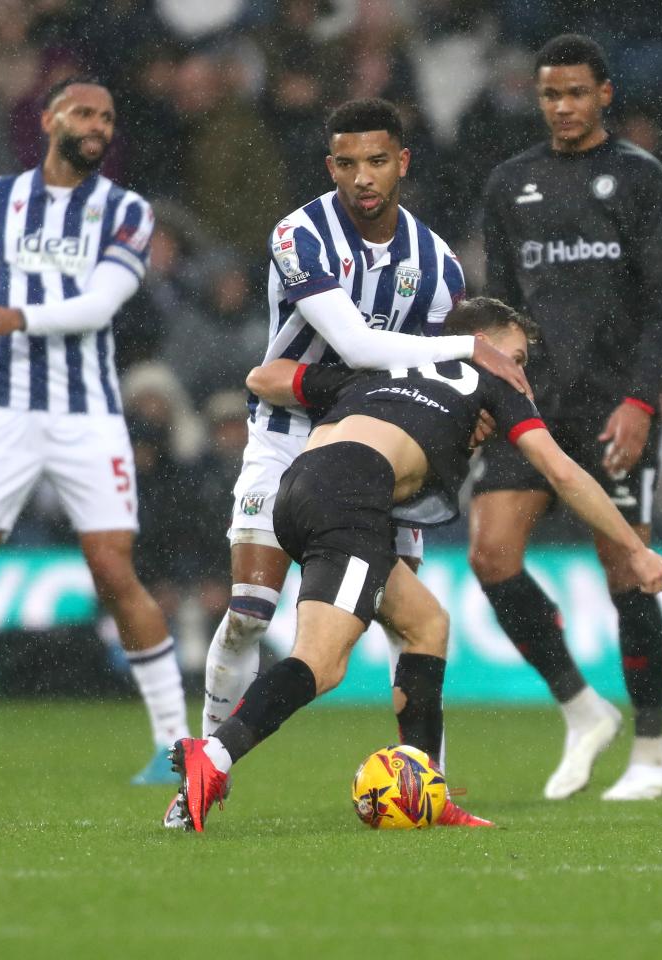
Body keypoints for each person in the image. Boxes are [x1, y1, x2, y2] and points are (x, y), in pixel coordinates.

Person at [170, 297, 662, 832]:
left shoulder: (388, 365)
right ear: (484, 341)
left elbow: (262, 378)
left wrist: (368, 391)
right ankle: (215, 756)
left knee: (427, 624)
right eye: (518, 355)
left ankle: (426, 789)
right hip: (351, 494)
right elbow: (564, 474)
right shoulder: (494, 381)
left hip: (300, 486)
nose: (521, 370)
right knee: (322, 663)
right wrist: (635, 551)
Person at [198, 98, 527, 764]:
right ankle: (205, 754)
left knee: (414, 622)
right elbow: (353, 341)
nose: (362, 178)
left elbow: (425, 379)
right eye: (346, 164)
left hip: (379, 451)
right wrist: (471, 353)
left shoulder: (438, 265)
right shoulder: (300, 234)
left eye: (377, 161)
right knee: (249, 615)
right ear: (330, 166)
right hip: (288, 435)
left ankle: (424, 775)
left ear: (401, 161)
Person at [0, 76, 189, 788]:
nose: (99, 125)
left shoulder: (127, 211)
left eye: (109, 116)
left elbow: (99, 306)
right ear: (51, 118)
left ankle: (176, 745)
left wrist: (22, 318)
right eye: (86, 112)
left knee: (115, 570)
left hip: (87, 413)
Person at [471, 34, 662, 801]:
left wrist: (639, 402)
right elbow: (500, 310)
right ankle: (580, 705)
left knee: (629, 567)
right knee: (490, 555)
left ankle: (653, 757)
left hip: (611, 404)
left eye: (574, 93)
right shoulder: (510, 183)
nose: (561, 107)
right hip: (533, 404)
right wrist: (492, 393)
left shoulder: (636, 177)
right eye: (549, 95)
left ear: (604, 94)